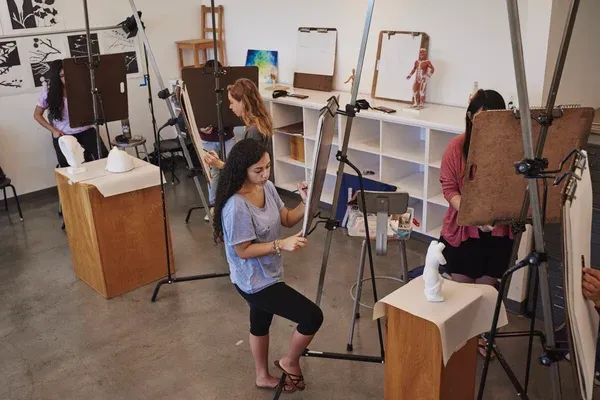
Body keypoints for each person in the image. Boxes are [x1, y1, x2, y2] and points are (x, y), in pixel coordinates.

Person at [213, 138, 323, 393]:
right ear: (243, 171)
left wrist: (305, 203)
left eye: (268, 167)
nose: (265, 175)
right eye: (258, 170)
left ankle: (262, 376)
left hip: (268, 272)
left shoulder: (267, 187)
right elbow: (242, 250)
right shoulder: (236, 206)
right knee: (312, 316)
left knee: (260, 321)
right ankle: (289, 361)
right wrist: (280, 245)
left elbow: (286, 218)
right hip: (254, 281)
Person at [438, 88, 513, 358]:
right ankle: (461, 340)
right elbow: (449, 189)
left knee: (484, 293)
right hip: (463, 229)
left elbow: (514, 192)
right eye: (481, 120)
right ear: (470, 117)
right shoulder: (456, 147)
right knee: (460, 293)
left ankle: (478, 338)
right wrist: (474, 214)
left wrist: (494, 218)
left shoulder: (510, 150)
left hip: (497, 231)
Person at [33, 59, 108, 167]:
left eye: (67, 75)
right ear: (57, 77)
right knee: (68, 167)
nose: (65, 78)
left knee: (104, 159)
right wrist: (53, 130)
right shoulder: (48, 93)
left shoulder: (82, 88)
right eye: (62, 76)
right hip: (64, 133)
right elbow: (37, 114)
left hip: (85, 129)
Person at [203, 78, 274, 182]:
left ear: (243, 103)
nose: (230, 107)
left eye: (232, 102)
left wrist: (218, 164)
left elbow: (245, 171)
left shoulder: (253, 132)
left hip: (256, 187)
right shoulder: (261, 123)